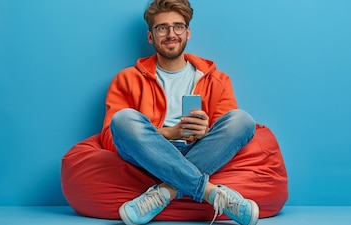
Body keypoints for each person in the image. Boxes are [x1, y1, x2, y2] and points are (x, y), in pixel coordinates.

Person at [99, 0, 259, 225]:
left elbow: (225, 135)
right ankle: (212, 194)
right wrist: (167, 133)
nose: (171, 34)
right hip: (152, 152)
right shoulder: (127, 78)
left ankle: (165, 192)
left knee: (242, 120)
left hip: (201, 149)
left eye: (178, 26)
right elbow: (110, 138)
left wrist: (205, 132)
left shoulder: (216, 79)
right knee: (123, 119)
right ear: (150, 36)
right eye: (162, 28)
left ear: (188, 32)